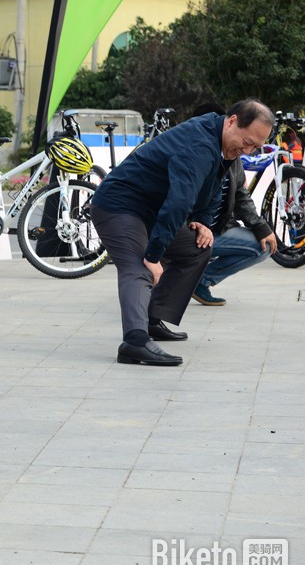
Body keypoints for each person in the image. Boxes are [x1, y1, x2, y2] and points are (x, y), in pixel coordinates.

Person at [90, 99, 274, 366]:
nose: (247, 151)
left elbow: (213, 187)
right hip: (119, 206)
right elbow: (179, 203)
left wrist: (202, 222)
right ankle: (134, 341)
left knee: (196, 247)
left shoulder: (220, 142)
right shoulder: (199, 145)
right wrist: (154, 256)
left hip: (152, 211)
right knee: (139, 266)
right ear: (232, 121)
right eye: (247, 142)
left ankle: (152, 319)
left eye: (255, 147)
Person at [186, 104, 278, 306]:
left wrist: (261, 227)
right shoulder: (193, 152)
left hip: (217, 230)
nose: (247, 151)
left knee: (264, 245)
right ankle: (171, 278)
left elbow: (241, 194)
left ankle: (200, 282)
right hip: (186, 232)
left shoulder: (234, 154)